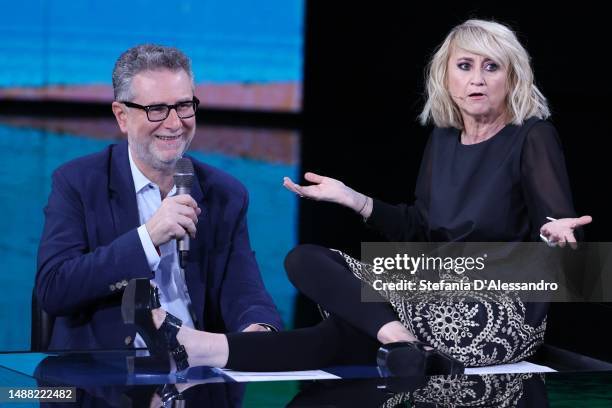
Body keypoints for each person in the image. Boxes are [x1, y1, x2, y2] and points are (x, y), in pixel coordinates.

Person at [119, 20, 592, 376]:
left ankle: (199, 347)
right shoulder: (445, 139)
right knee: (305, 259)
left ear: (513, 77)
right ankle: (402, 345)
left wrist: (557, 236)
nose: (478, 79)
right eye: (465, 66)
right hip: (434, 284)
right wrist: (352, 198)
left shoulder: (532, 136)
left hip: (501, 302)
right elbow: (420, 228)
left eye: (492, 67)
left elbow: (562, 232)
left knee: (339, 335)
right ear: (446, 76)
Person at [35, 44, 282, 357]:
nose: (175, 123)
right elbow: (54, 290)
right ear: (122, 116)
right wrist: (147, 238)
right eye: (157, 109)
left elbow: (244, 290)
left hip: (200, 374)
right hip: (107, 382)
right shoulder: (78, 183)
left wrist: (258, 330)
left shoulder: (225, 194)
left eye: (184, 106)